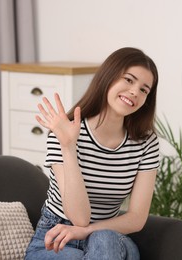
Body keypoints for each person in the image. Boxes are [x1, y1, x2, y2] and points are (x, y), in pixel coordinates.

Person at [25, 47, 159, 260]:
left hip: (111, 239)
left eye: (144, 90)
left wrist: (88, 231)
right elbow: (79, 217)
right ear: (108, 77)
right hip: (56, 239)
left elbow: (136, 219)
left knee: (103, 239)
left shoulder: (146, 143)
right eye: (129, 80)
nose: (135, 91)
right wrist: (68, 147)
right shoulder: (64, 133)